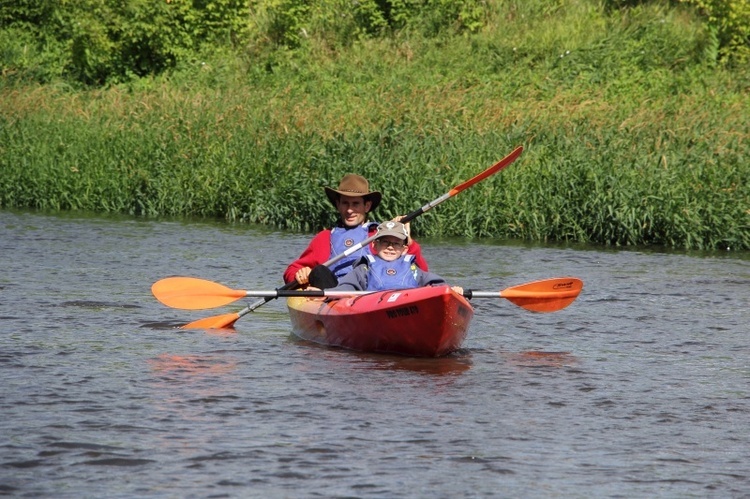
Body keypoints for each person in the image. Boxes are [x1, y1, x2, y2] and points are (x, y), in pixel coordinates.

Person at [283, 174, 428, 287]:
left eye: (356, 204)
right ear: (338, 205)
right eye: (345, 203)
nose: (350, 210)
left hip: (372, 295)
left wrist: (406, 239)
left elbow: (421, 272)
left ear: (367, 206)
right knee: (319, 272)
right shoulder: (325, 237)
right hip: (335, 298)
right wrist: (300, 273)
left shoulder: (381, 236)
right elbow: (291, 270)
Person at [330, 221, 463, 294]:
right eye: (385, 242)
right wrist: (327, 294)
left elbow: (436, 283)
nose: (390, 247)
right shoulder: (364, 267)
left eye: (396, 244)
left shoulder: (411, 268)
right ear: (374, 245)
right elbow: (346, 285)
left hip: (408, 308)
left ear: (404, 249)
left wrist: (452, 291)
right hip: (375, 310)